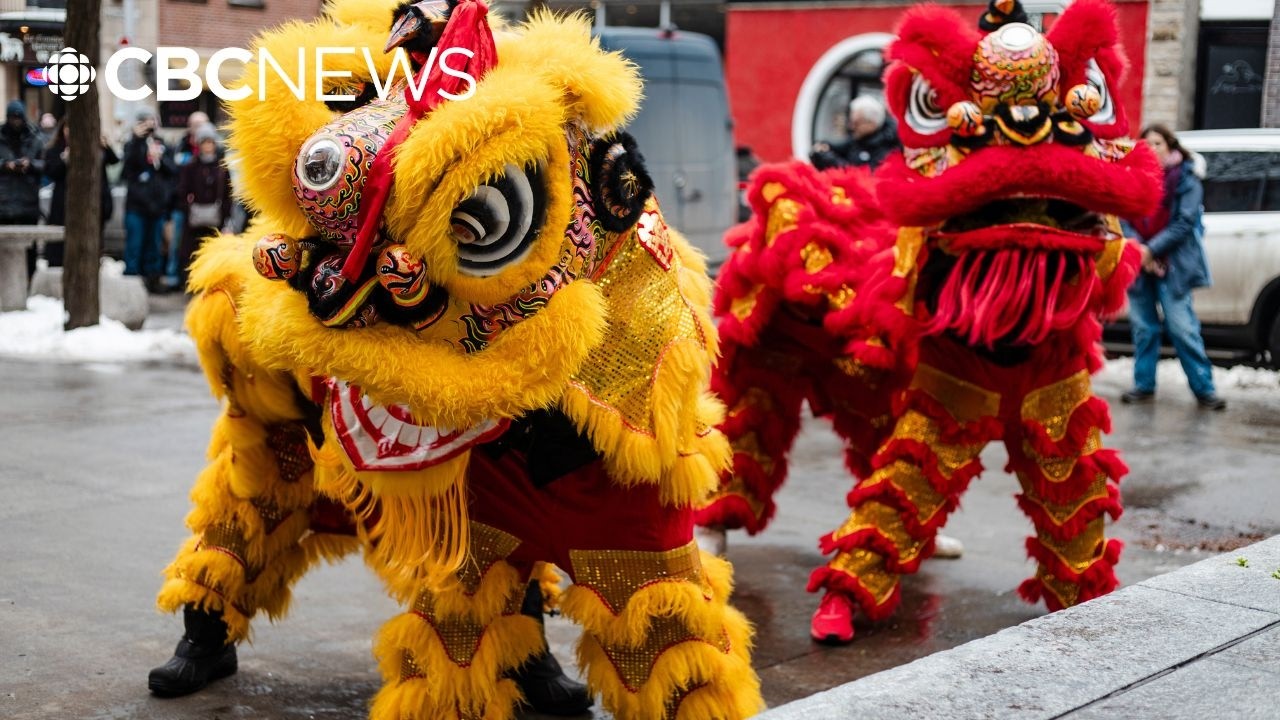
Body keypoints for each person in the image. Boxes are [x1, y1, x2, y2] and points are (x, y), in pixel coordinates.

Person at [1120, 125, 1225, 410]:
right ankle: (1143, 384)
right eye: (1146, 144)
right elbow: (1122, 215)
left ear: (1170, 146)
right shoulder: (1131, 176)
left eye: (1158, 143)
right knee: (1143, 328)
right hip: (1140, 263)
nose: (1152, 149)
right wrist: (1140, 249)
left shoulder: (1186, 177)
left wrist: (1151, 250)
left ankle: (1204, 389)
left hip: (1173, 264)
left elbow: (1184, 222)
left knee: (1182, 328)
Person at [40, 119, 121, 268]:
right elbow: (50, 172)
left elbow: (113, 161)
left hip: (89, 203)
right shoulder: (55, 149)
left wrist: (106, 146)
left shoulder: (92, 147)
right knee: (60, 240)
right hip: (63, 202)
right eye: (68, 127)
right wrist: (64, 161)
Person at [122, 109, 176, 293]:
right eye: (144, 121)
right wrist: (137, 140)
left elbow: (172, 171)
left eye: (151, 120)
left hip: (157, 206)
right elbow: (127, 169)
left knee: (155, 247)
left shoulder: (163, 145)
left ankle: (153, 281)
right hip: (137, 206)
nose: (149, 125)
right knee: (134, 246)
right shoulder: (132, 144)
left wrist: (160, 158)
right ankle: (131, 285)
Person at [174, 125, 231, 288]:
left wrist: (225, 215)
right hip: (194, 220)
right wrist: (189, 209)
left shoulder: (221, 167)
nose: (207, 146)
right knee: (191, 253)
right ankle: (191, 284)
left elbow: (228, 193)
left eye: (210, 142)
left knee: (213, 253)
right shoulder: (191, 167)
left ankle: (211, 283)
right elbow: (182, 191)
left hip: (215, 219)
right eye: (204, 142)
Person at [809, 95, 901, 171]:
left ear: (871, 123)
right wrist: (822, 147)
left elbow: (863, 177)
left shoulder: (889, 149)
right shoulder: (861, 140)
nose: (851, 127)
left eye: (856, 123)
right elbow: (838, 146)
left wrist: (828, 160)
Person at [1, 100, 44, 226]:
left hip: (28, 200)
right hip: (4, 202)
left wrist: (30, 164)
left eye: (18, 118)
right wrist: (5, 165)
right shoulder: (2, 137)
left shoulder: (35, 137)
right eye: (13, 118)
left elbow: (45, 164)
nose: (16, 122)